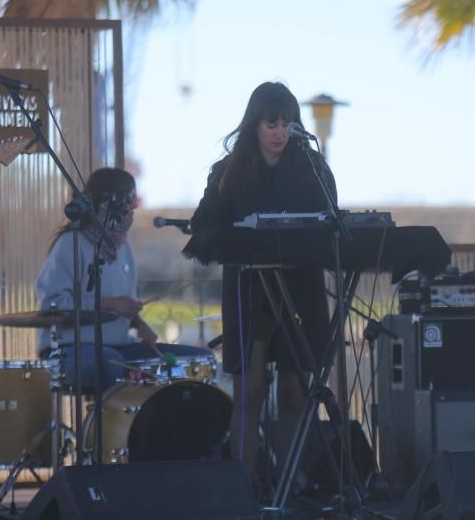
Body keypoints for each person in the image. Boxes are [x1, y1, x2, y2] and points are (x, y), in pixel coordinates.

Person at [187, 82, 336, 482]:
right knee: (248, 393)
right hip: (248, 289)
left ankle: (290, 488)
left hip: (300, 288)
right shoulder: (228, 170)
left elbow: (331, 222)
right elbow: (203, 226)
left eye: (288, 124)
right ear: (254, 124)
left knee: (295, 392)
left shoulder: (313, 168)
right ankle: (242, 491)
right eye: (272, 123)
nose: (280, 133)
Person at [35, 167, 206, 393]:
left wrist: (141, 325)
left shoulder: (123, 248)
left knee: (199, 360)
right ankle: (108, 426)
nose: (133, 209)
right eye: (127, 202)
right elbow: (53, 305)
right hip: (71, 350)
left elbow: (127, 306)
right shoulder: (70, 244)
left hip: (120, 345)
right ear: (107, 203)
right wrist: (111, 303)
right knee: (110, 363)